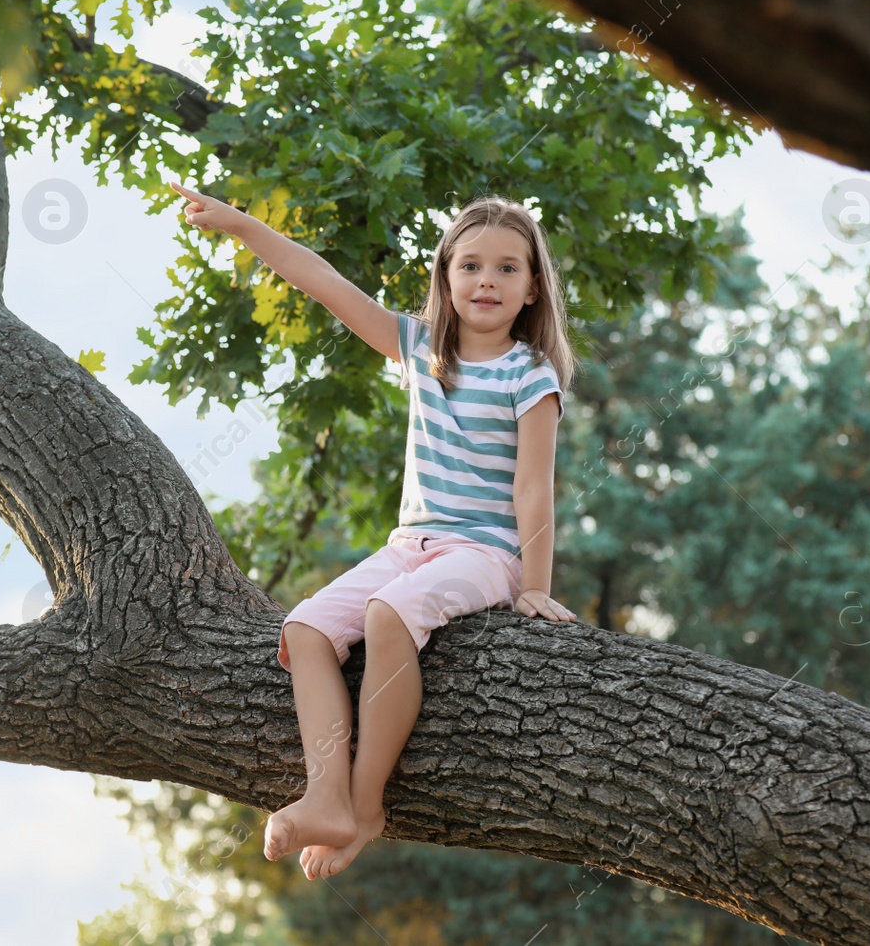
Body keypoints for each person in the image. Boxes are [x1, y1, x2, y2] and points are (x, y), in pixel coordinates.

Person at [168, 181, 579, 881]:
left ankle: (365, 806)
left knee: (391, 614)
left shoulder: (529, 373)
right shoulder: (419, 346)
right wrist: (241, 224)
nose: (487, 279)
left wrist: (534, 586)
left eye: (507, 267)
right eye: (470, 264)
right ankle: (325, 793)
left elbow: (534, 487)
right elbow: (324, 281)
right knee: (304, 630)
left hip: (486, 553)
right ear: (445, 279)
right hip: (409, 544)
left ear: (533, 288)